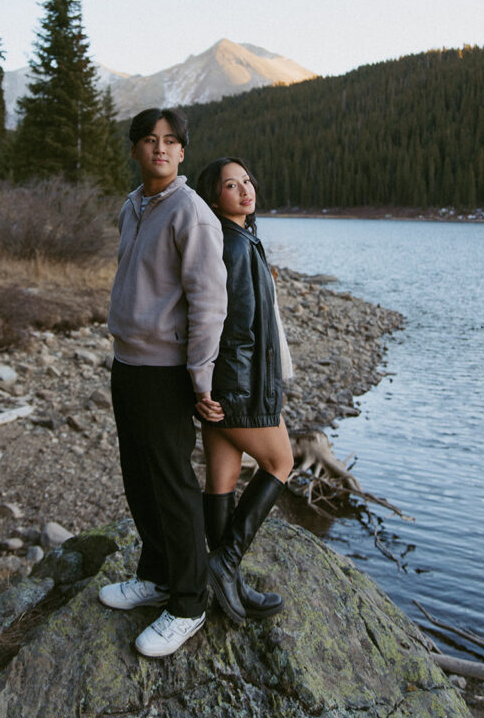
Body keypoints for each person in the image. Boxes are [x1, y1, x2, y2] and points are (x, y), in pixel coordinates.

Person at [99, 107, 228, 657]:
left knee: (173, 482)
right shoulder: (134, 205)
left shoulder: (192, 213)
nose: (160, 149)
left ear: (182, 153)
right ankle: (154, 577)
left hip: (167, 372)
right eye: (150, 140)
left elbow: (209, 300)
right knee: (138, 475)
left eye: (170, 142)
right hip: (127, 364)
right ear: (135, 150)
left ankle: (189, 602)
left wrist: (200, 379)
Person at [194, 156, 294, 625]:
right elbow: (236, 329)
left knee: (222, 480)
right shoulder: (231, 245)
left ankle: (225, 582)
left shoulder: (239, 238)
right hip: (237, 386)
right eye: (231, 186)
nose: (245, 190)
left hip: (221, 382)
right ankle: (226, 561)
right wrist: (241, 392)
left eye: (247, 181)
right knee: (281, 462)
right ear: (215, 198)